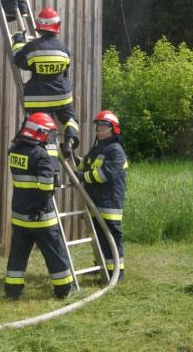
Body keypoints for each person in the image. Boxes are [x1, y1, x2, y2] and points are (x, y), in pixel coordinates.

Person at [4, 112, 74, 300]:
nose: (48, 137)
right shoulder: (41, 155)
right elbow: (46, 186)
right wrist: (41, 205)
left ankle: (12, 291)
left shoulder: (15, 151)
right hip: (41, 217)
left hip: (20, 216)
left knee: (17, 255)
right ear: (39, 132)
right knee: (54, 254)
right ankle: (63, 289)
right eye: (47, 133)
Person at [11, 6, 79, 150]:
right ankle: (71, 137)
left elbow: (19, 61)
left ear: (39, 27)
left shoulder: (33, 47)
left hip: (38, 98)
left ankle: (51, 155)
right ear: (56, 26)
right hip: (62, 96)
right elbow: (66, 68)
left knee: (46, 128)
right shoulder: (63, 48)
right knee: (70, 119)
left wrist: (18, 42)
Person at [75, 110, 128, 281]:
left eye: (103, 125)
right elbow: (86, 164)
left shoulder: (116, 150)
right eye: (97, 125)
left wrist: (82, 177)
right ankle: (103, 266)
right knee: (99, 238)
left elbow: (103, 174)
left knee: (111, 237)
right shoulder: (98, 147)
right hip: (96, 201)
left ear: (113, 129)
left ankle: (117, 272)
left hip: (109, 203)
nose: (98, 128)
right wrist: (71, 157)